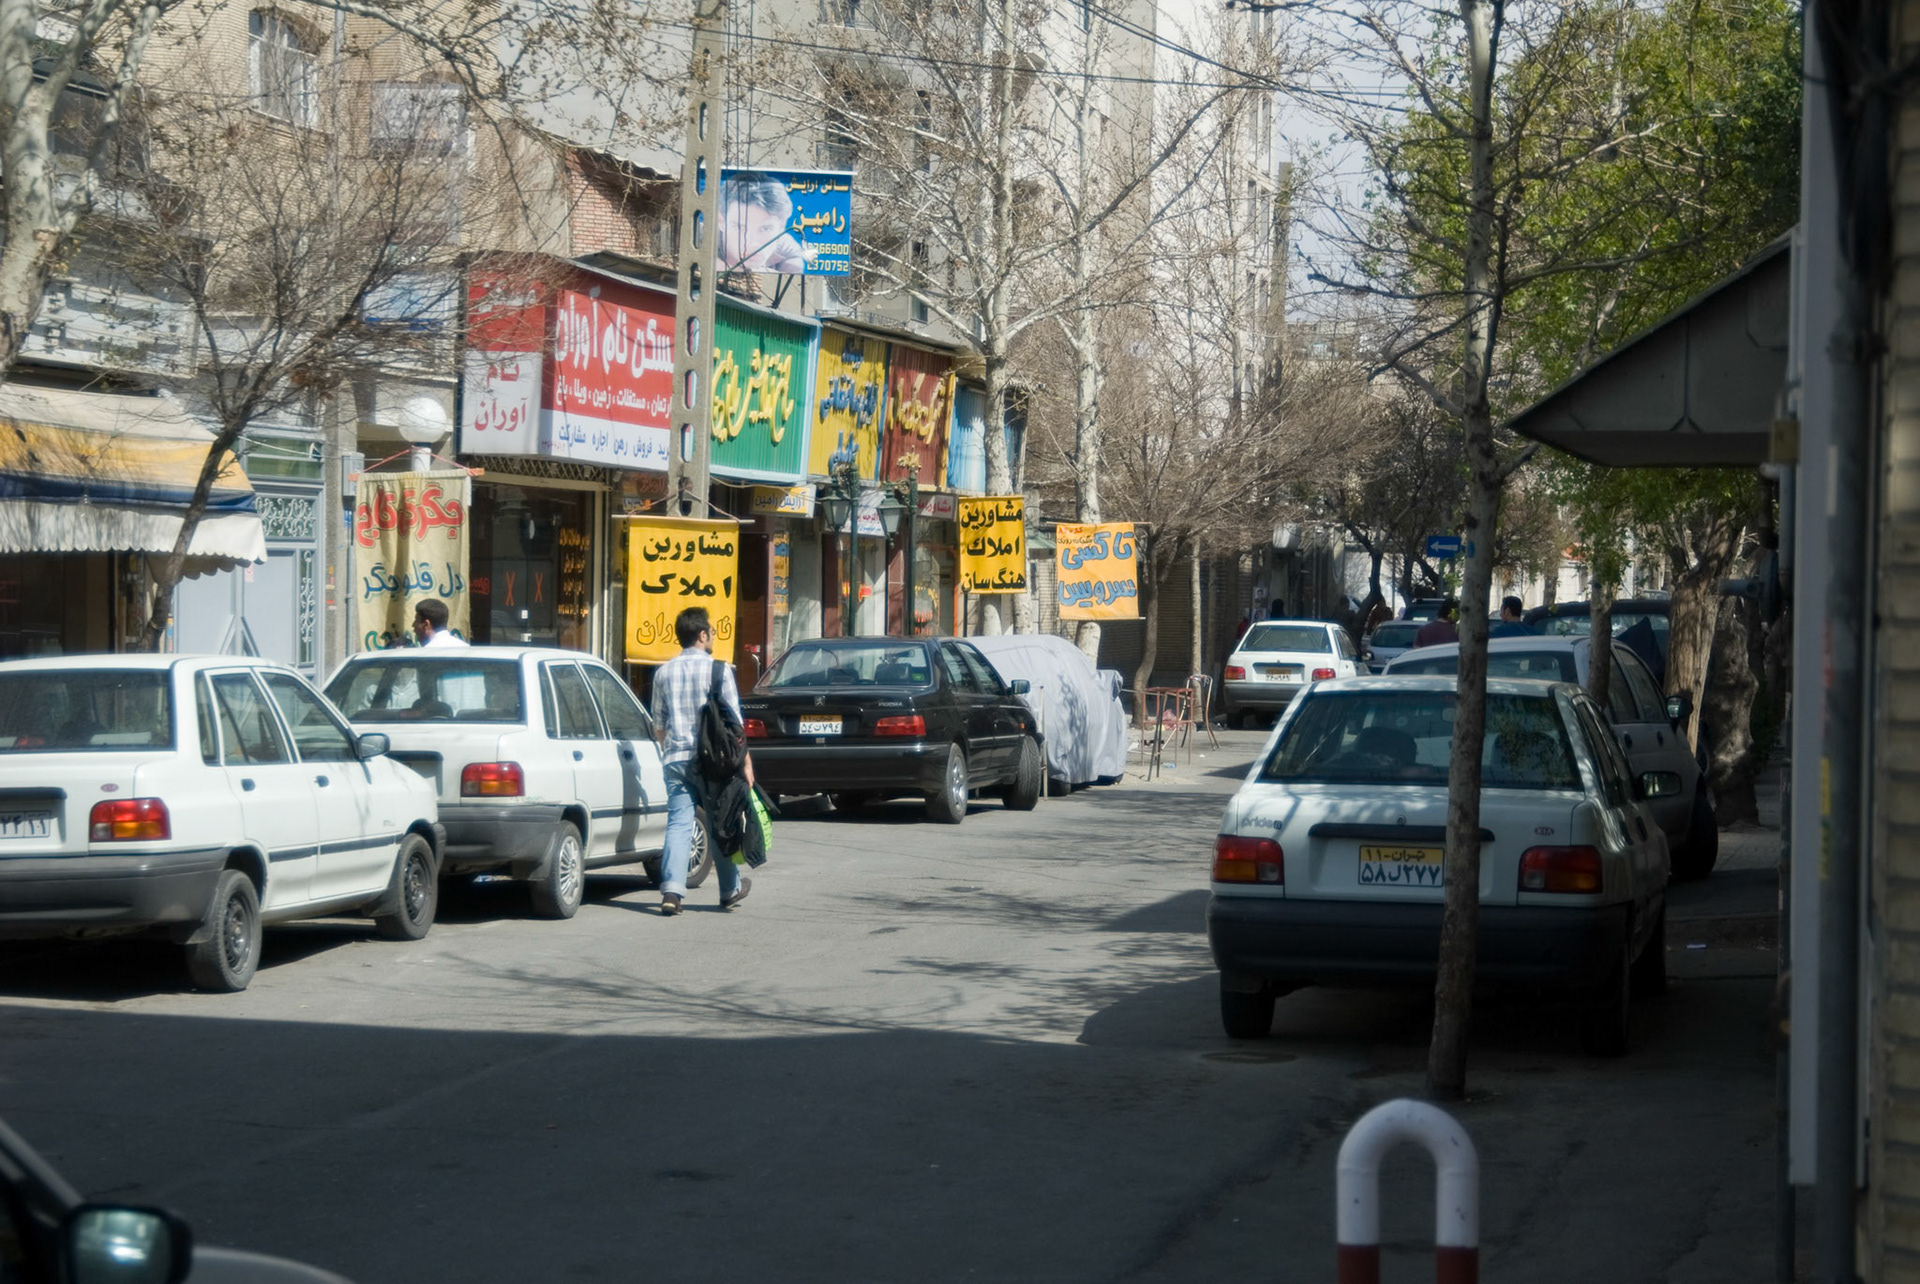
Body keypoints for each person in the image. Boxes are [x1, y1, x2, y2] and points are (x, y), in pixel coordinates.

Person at [648, 606, 753, 916]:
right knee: (721, 822)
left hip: (675, 759)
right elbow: (735, 725)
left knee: (679, 824)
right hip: (714, 764)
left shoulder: (663, 673)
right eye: (712, 633)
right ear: (702, 635)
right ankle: (729, 889)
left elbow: (658, 726)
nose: (713, 638)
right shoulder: (719, 671)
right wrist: (746, 763)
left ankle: (671, 892)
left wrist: (670, 751)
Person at [717, 174, 808, 274]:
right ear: (720, 221)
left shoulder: (789, 251)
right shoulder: (705, 237)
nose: (751, 243)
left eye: (765, 229)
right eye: (739, 227)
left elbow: (793, 278)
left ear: (782, 226)